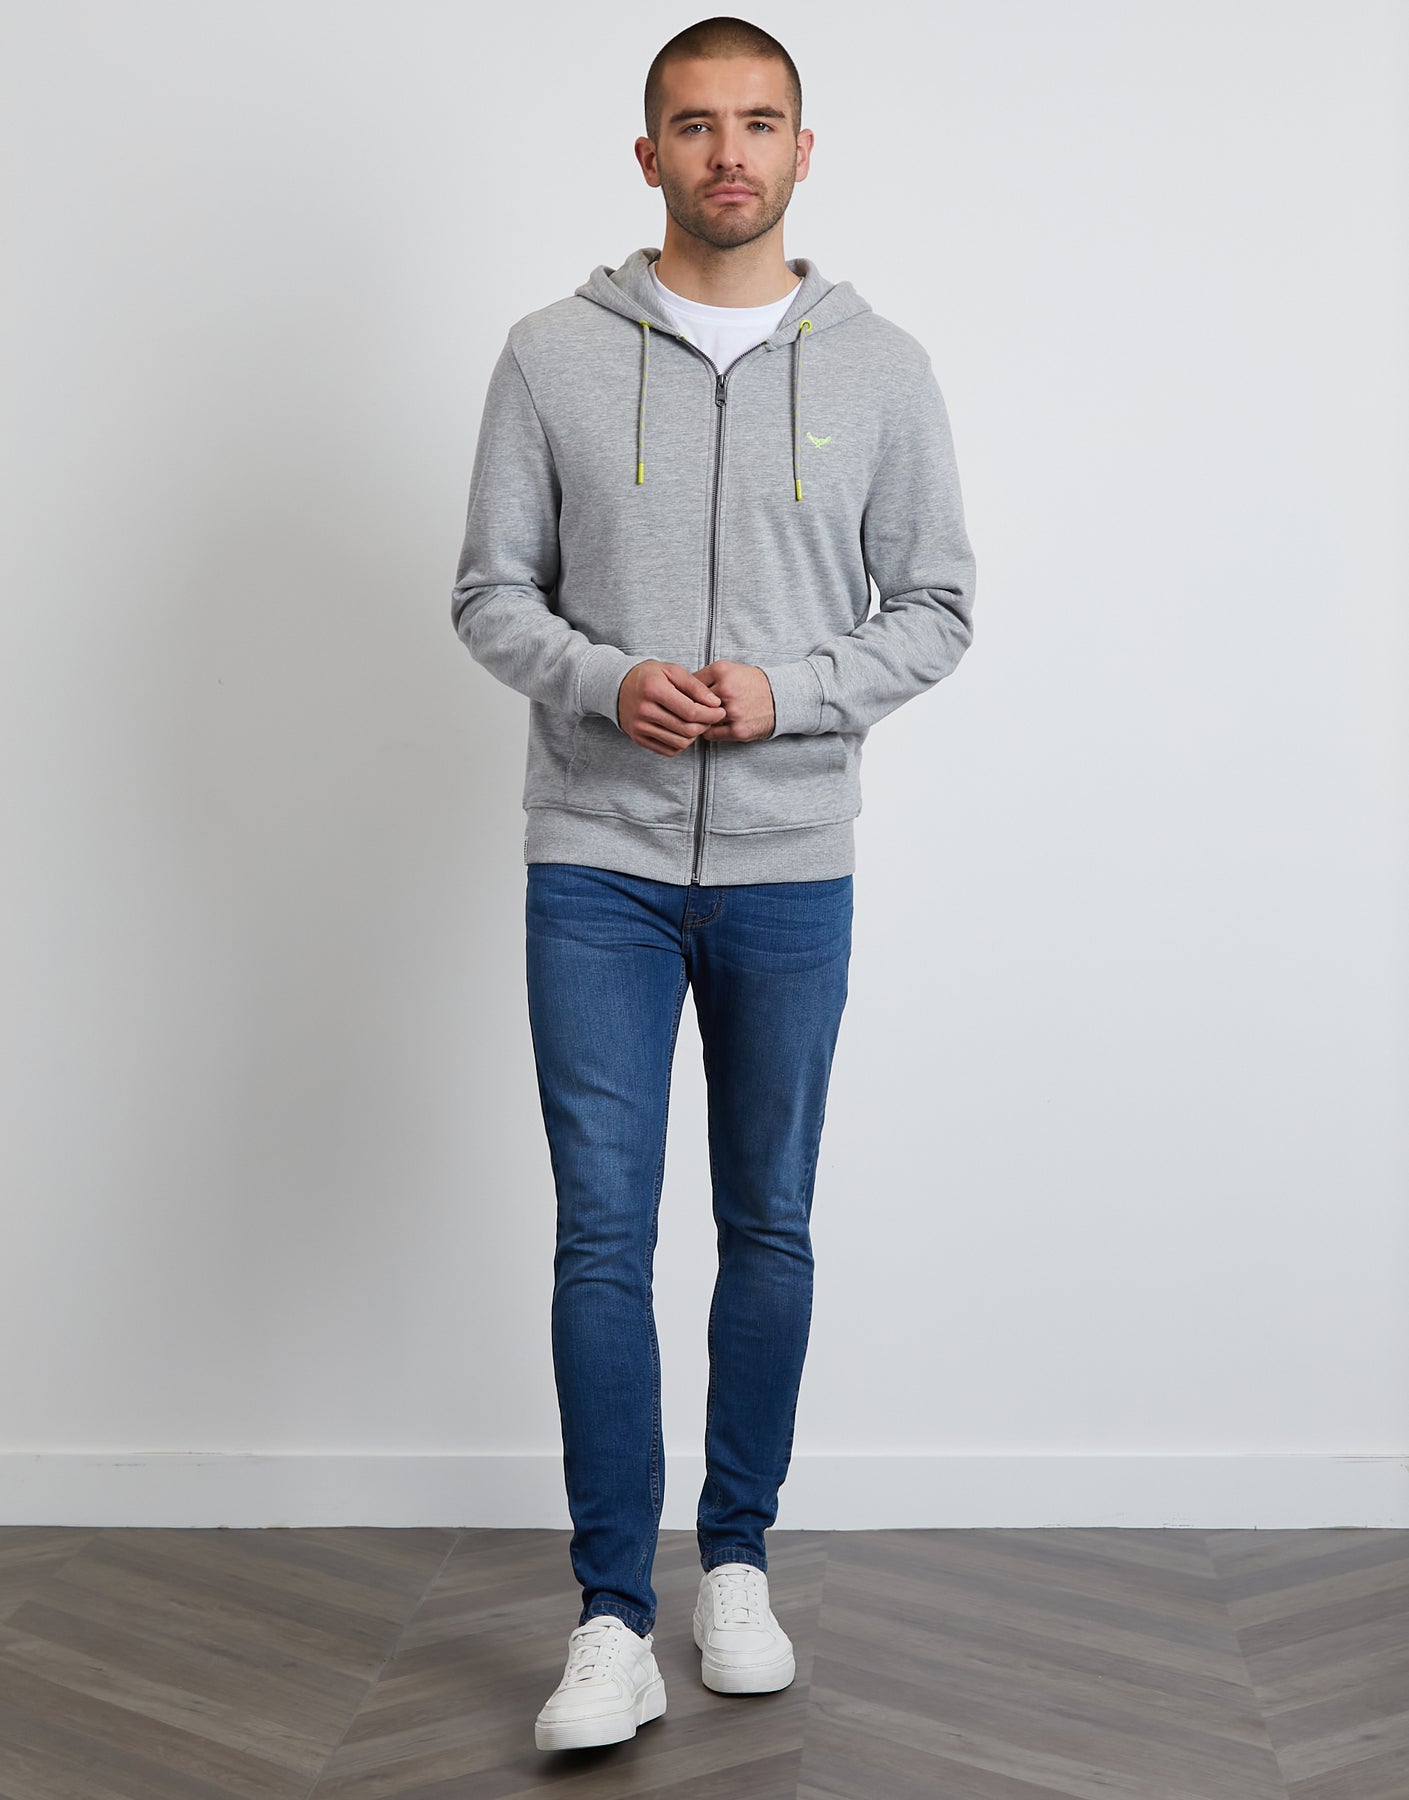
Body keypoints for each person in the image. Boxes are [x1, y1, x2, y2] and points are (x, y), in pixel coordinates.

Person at [450, 13, 976, 1754]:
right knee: (602, 1233)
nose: (727, 152)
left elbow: (937, 608)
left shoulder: (881, 367)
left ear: (802, 152)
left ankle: (734, 1565)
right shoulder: (548, 355)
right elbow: (488, 594)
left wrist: (785, 693)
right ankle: (610, 1614)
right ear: (647, 152)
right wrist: (609, 683)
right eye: (694, 123)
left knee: (770, 1220)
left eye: (758, 123)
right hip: (593, 862)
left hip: (787, 865)